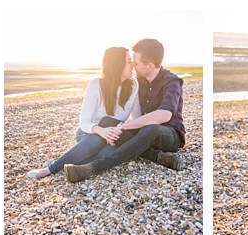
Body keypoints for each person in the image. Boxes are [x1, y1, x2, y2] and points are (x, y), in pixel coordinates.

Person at [64, 38, 185, 183]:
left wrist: (123, 126)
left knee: (151, 129)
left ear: (149, 66)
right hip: (147, 132)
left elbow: (164, 115)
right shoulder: (139, 81)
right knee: (107, 121)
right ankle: (158, 156)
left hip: (170, 135)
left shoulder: (172, 82)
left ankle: (92, 168)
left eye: (136, 63)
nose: (133, 65)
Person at [27, 47, 139, 180]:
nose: (133, 65)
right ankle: (50, 169)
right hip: (90, 135)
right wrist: (101, 131)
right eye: (129, 61)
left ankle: (68, 162)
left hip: (114, 135)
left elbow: (137, 118)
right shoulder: (96, 84)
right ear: (117, 65)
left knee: (109, 153)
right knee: (99, 139)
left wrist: (118, 130)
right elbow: (84, 122)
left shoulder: (134, 85)